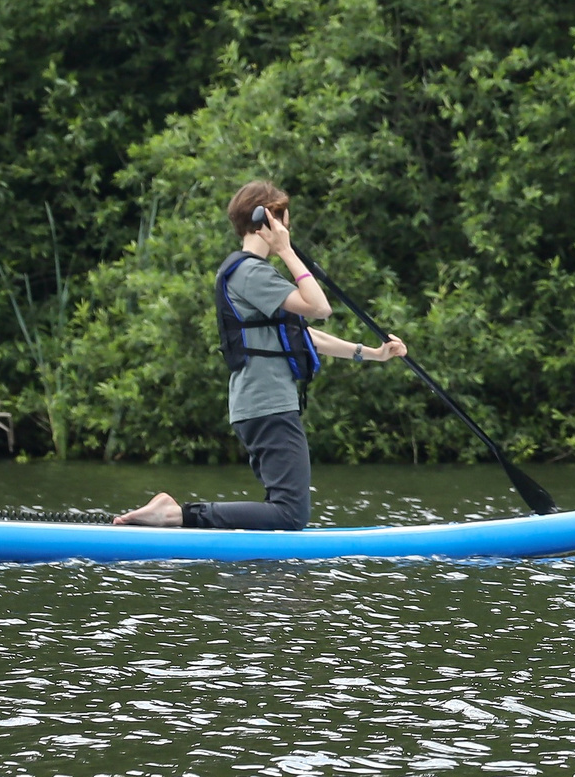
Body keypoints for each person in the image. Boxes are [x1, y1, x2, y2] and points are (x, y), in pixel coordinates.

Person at [114, 181, 407, 528]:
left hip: (261, 403)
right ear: (268, 220)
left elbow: (301, 334)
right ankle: (176, 515)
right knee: (290, 513)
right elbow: (319, 307)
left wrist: (371, 353)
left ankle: (178, 514)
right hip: (267, 403)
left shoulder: (250, 273)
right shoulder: (250, 271)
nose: (289, 229)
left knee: (284, 510)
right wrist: (286, 250)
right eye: (285, 221)